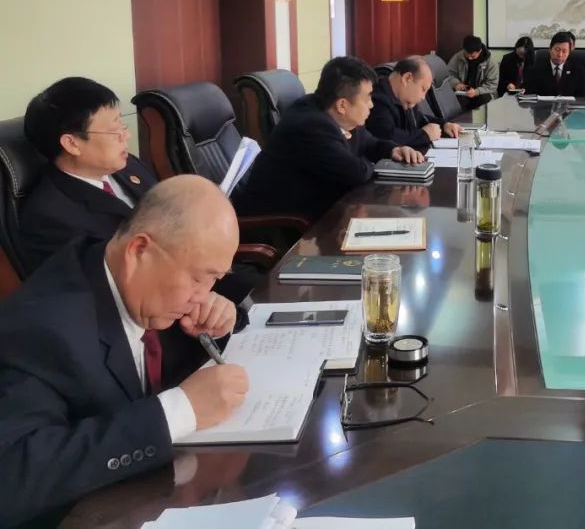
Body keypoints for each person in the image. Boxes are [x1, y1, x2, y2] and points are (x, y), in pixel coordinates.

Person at [0, 176, 252, 526]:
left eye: (214, 280)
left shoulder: (139, 282)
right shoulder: (43, 329)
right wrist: (177, 411)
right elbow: (12, 475)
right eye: (199, 278)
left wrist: (217, 320)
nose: (203, 294)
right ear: (139, 250)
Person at [232, 57, 424, 221]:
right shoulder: (311, 126)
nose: (371, 105)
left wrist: (393, 150)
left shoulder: (329, 109)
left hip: (325, 209)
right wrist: (378, 165)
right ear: (342, 105)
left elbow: (369, 142)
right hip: (284, 224)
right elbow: (356, 173)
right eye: (367, 98)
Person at [20, 77, 157, 274]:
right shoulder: (49, 219)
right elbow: (100, 283)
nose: (126, 136)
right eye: (114, 131)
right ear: (72, 144)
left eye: (122, 124)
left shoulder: (129, 165)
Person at [368, 57, 462, 150]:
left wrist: (444, 125)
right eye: (423, 89)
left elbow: (420, 119)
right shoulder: (377, 99)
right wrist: (425, 135)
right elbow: (388, 137)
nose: (423, 97)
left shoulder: (404, 99)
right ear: (407, 78)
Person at [524, 32, 585, 97]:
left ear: (569, 53)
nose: (560, 55)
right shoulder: (534, 71)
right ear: (550, 49)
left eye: (564, 51)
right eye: (557, 50)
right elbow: (529, 96)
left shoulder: (579, 71)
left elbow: (584, 98)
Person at [447, 35, 499, 109]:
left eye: (473, 56)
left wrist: (476, 92)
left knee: (482, 101)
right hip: (464, 92)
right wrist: (456, 84)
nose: (470, 58)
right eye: (467, 55)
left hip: (483, 93)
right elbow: (449, 74)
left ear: (480, 51)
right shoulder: (458, 57)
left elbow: (492, 85)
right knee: (453, 101)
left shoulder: (491, 62)